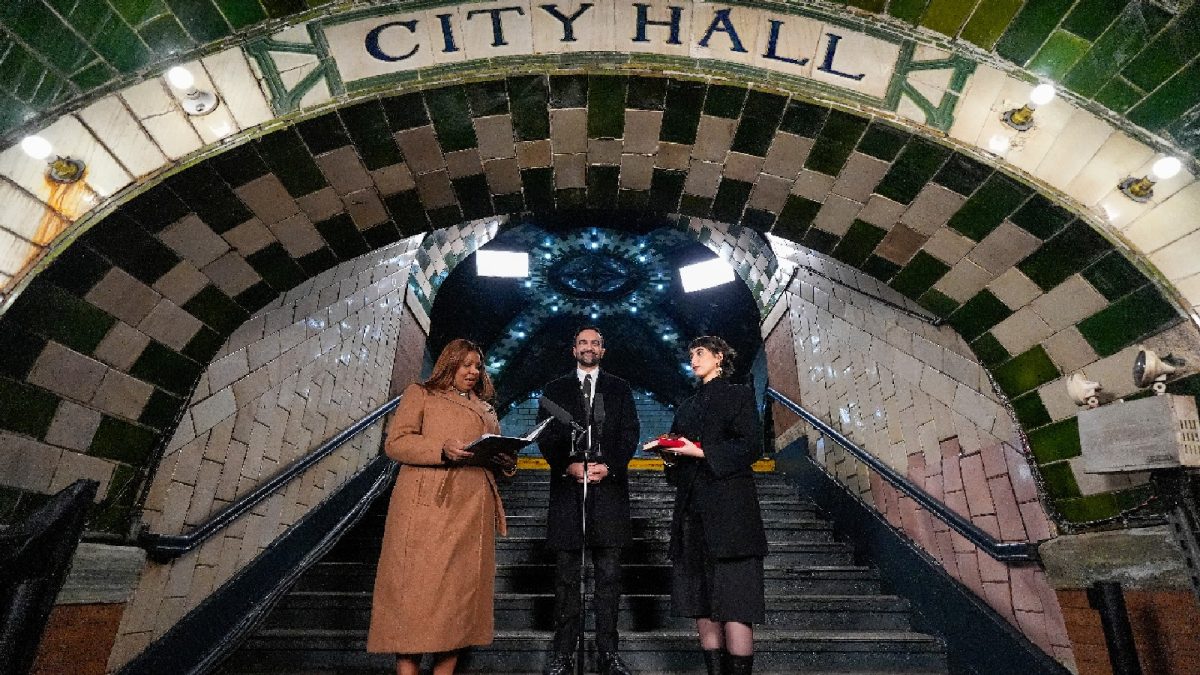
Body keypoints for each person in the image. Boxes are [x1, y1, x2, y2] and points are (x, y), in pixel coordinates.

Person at [367, 338, 515, 675]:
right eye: (465, 365)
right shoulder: (421, 393)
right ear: (449, 364)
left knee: (458, 601)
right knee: (415, 596)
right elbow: (396, 443)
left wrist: (507, 461)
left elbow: (495, 455)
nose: (473, 372)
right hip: (426, 509)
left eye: (477, 366)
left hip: (472, 512)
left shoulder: (486, 408)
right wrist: (442, 448)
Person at [654, 336, 766, 675]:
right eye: (690, 354)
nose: (693, 358)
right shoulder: (686, 405)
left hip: (732, 519)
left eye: (700, 352)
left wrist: (699, 451)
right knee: (701, 604)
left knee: (735, 605)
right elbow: (677, 467)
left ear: (719, 357)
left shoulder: (737, 394)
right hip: (692, 516)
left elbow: (751, 446)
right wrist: (670, 457)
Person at [537, 326, 640, 675]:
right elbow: (546, 434)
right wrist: (568, 466)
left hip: (609, 495)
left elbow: (630, 433)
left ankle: (608, 654)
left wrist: (608, 465)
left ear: (603, 350)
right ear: (574, 349)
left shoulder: (620, 388)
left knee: (609, 578)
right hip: (568, 495)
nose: (589, 347)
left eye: (596, 342)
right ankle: (563, 655)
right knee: (567, 578)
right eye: (583, 342)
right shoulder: (554, 390)